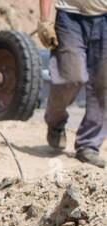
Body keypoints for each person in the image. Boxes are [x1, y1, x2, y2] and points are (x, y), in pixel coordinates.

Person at [39, 0, 107, 167]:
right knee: (69, 78)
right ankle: (56, 122)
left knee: (102, 84)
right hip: (69, 17)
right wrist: (44, 20)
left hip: (104, 18)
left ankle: (88, 145)